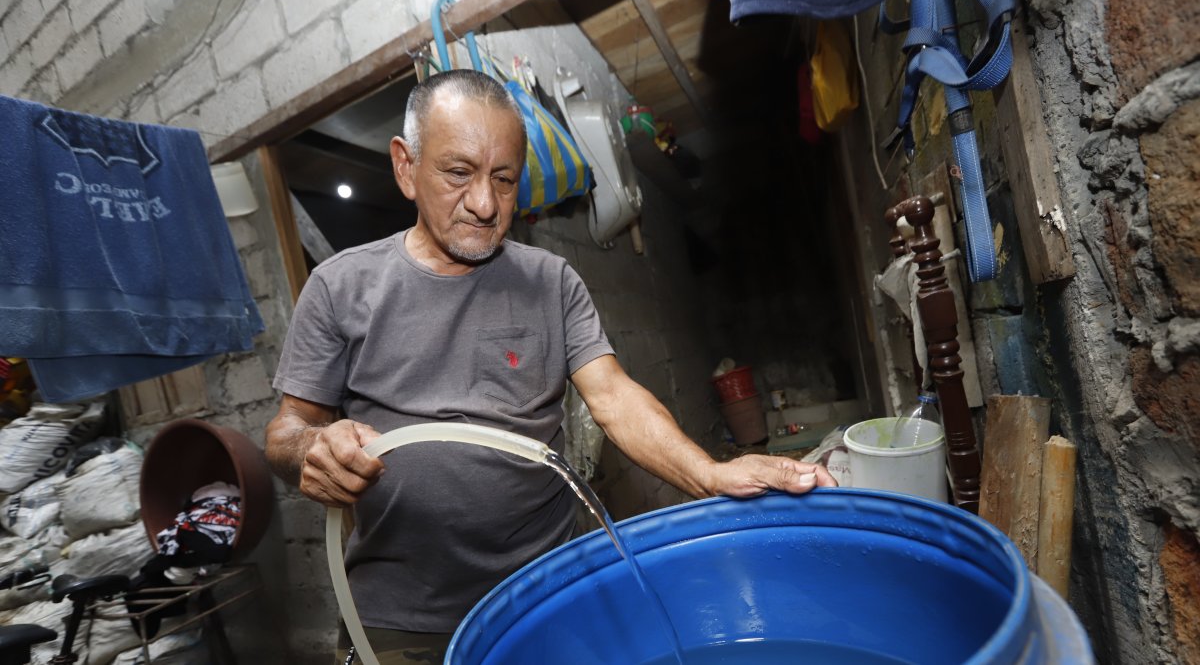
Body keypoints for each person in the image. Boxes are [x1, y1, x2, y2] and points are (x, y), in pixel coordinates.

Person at [265, 69, 837, 664]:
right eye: (458, 173)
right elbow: (286, 429)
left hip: (547, 592)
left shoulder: (550, 281)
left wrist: (710, 475)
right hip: (404, 624)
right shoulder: (339, 287)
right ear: (407, 166)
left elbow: (613, 397)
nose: (485, 204)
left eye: (504, 179)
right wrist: (311, 447)